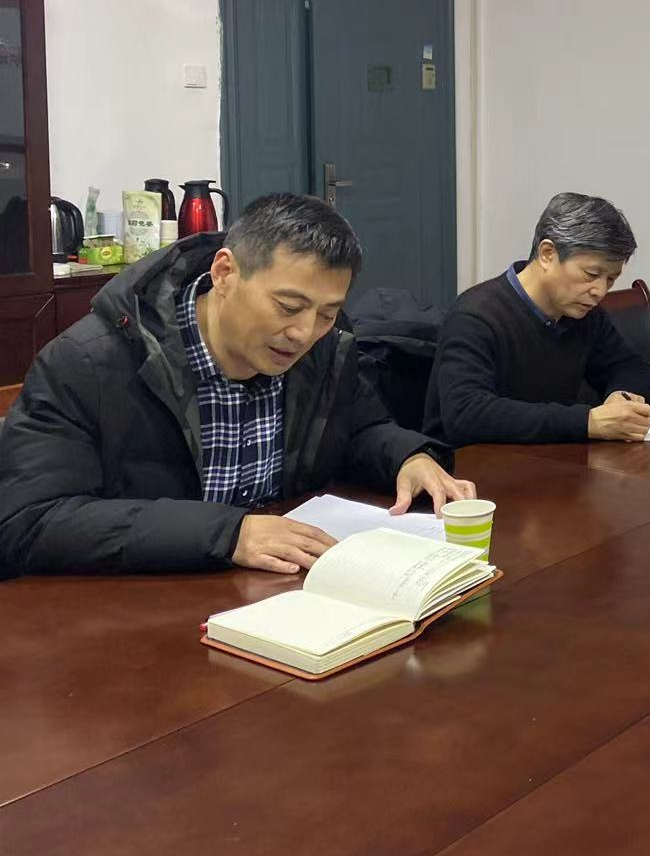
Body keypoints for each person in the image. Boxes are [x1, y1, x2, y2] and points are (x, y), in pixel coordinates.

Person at [0, 194, 473, 579]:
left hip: (276, 596)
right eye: (288, 307)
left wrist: (407, 458)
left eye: (327, 314)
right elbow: (30, 522)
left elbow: (359, 428)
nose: (304, 333)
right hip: (137, 615)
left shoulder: (325, 350)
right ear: (225, 274)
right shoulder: (87, 364)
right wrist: (227, 533)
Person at [423, 192, 650, 445]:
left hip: (546, 456)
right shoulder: (476, 317)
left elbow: (629, 365)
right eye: (591, 274)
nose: (600, 291)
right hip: (469, 462)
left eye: (611, 279)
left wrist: (623, 397)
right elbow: (466, 414)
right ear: (547, 254)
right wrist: (586, 422)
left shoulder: (583, 314)